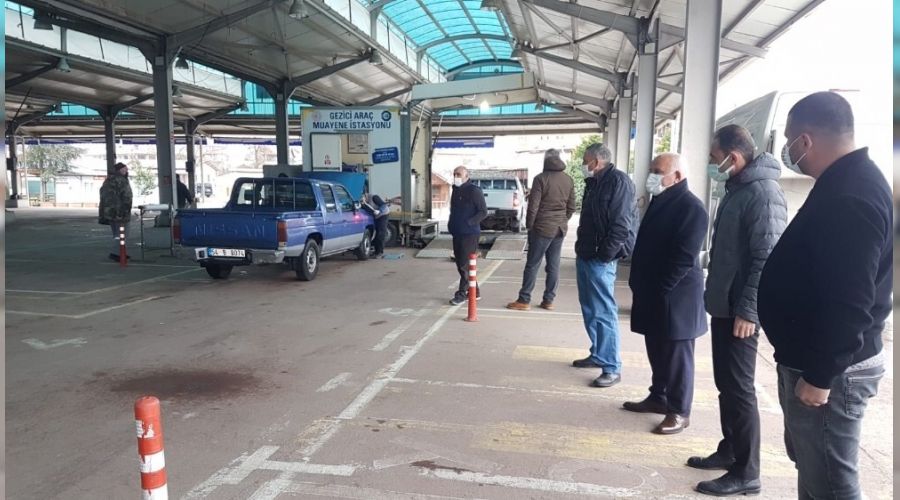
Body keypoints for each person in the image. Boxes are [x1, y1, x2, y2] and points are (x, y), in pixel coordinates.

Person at [758, 92, 891, 500]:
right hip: (820, 360)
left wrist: (820, 375)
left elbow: (850, 301)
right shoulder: (844, 182)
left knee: (831, 483)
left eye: (789, 140)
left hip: (832, 370)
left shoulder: (851, 196)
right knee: (816, 473)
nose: (787, 150)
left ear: (806, 140)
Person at [689, 124, 787, 497]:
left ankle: (747, 472)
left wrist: (749, 311)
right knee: (726, 386)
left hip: (740, 312)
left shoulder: (763, 193)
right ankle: (730, 449)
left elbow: (767, 259)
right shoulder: (739, 188)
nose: (712, 165)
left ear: (733, 156)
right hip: (725, 306)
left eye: (714, 158)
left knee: (740, 389)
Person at [624, 153, 708, 435]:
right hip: (654, 293)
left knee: (676, 358)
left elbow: (683, 258)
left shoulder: (691, 208)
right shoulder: (661, 200)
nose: (652, 176)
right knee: (657, 349)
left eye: (658, 171)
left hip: (675, 296)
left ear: (677, 176)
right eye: (651, 170)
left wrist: (659, 289)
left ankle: (679, 411)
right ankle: (658, 397)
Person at [572, 143, 637, 388]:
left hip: (601, 258)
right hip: (586, 253)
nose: (583, 165)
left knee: (603, 311)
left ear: (596, 162)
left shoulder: (618, 182)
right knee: (590, 308)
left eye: (585, 160)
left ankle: (611, 366)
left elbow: (621, 225)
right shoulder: (594, 182)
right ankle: (598, 353)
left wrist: (605, 255)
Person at [506, 149, 576, 311]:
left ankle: (524, 300)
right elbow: (571, 207)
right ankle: (549, 300)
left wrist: (530, 225)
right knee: (553, 266)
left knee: (533, 264)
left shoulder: (541, 179)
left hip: (542, 228)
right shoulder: (568, 179)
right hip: (559, 229)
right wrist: (562, 220)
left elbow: (533, 206)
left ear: (545, 160)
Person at [447, 166, 487, 305]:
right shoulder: (455, 190)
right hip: (457, 232)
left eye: (459, 174)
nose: (456, 176)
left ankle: (461, 294)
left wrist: (469, 223)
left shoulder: (474, 191)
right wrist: (451, 225)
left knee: (464, 264)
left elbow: (483, 212)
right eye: (454, 174)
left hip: (470, 234)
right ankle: (475, 291)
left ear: (466, 176)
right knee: (461, 264)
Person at [98, 162, 133, 261]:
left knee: (117, 234)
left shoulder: (108, 180)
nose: (126, 171)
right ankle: (117, 253)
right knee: (123, 234)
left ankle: (120, 252)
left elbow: (103, 196)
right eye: (124, 169)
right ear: (119, 170)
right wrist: (126, 209)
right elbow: (127, 196)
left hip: (110, 212)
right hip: (120, 212)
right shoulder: (121, 180)